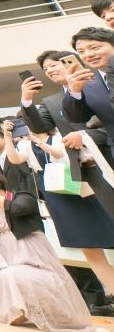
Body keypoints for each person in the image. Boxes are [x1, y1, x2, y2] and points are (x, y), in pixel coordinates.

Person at [0, 165, 92, 331]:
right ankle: (23, 311)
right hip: (9, 252)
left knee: (22, 275)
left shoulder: (22, 195)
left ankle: (57, 312)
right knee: (4, 277)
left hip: (33, 249)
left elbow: (16, 208)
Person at [16, 127, 114, 312]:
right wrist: (8, 136)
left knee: (104, 240)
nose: (26, 127)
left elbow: (64, 156)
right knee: (88, 248)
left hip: (80, 186)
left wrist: (36, 140)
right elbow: (16, 159)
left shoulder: (62, 134)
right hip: (55, 193)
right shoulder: (23, 144)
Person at [22, 48, 114, 213]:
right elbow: (39, 128)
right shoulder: (50, 101)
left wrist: (85, 136)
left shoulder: (102, 86)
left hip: (109, 159)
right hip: (86, 171)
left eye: (53, 65)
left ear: (72, 62)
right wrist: (27, 100)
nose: (49, 71)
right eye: (45, 69)